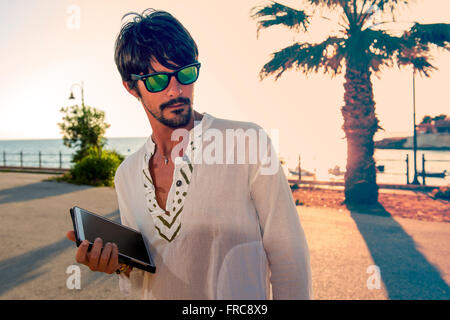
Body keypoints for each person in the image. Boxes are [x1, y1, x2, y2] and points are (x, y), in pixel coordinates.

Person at [67, 8, 312, 300]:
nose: (176, 89)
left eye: (184, 73)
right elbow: (144, 273)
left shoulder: (247, 142)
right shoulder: (127, 174)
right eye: (158, 80)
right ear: (132, 87)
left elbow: (289, 255)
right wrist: (119, 266)